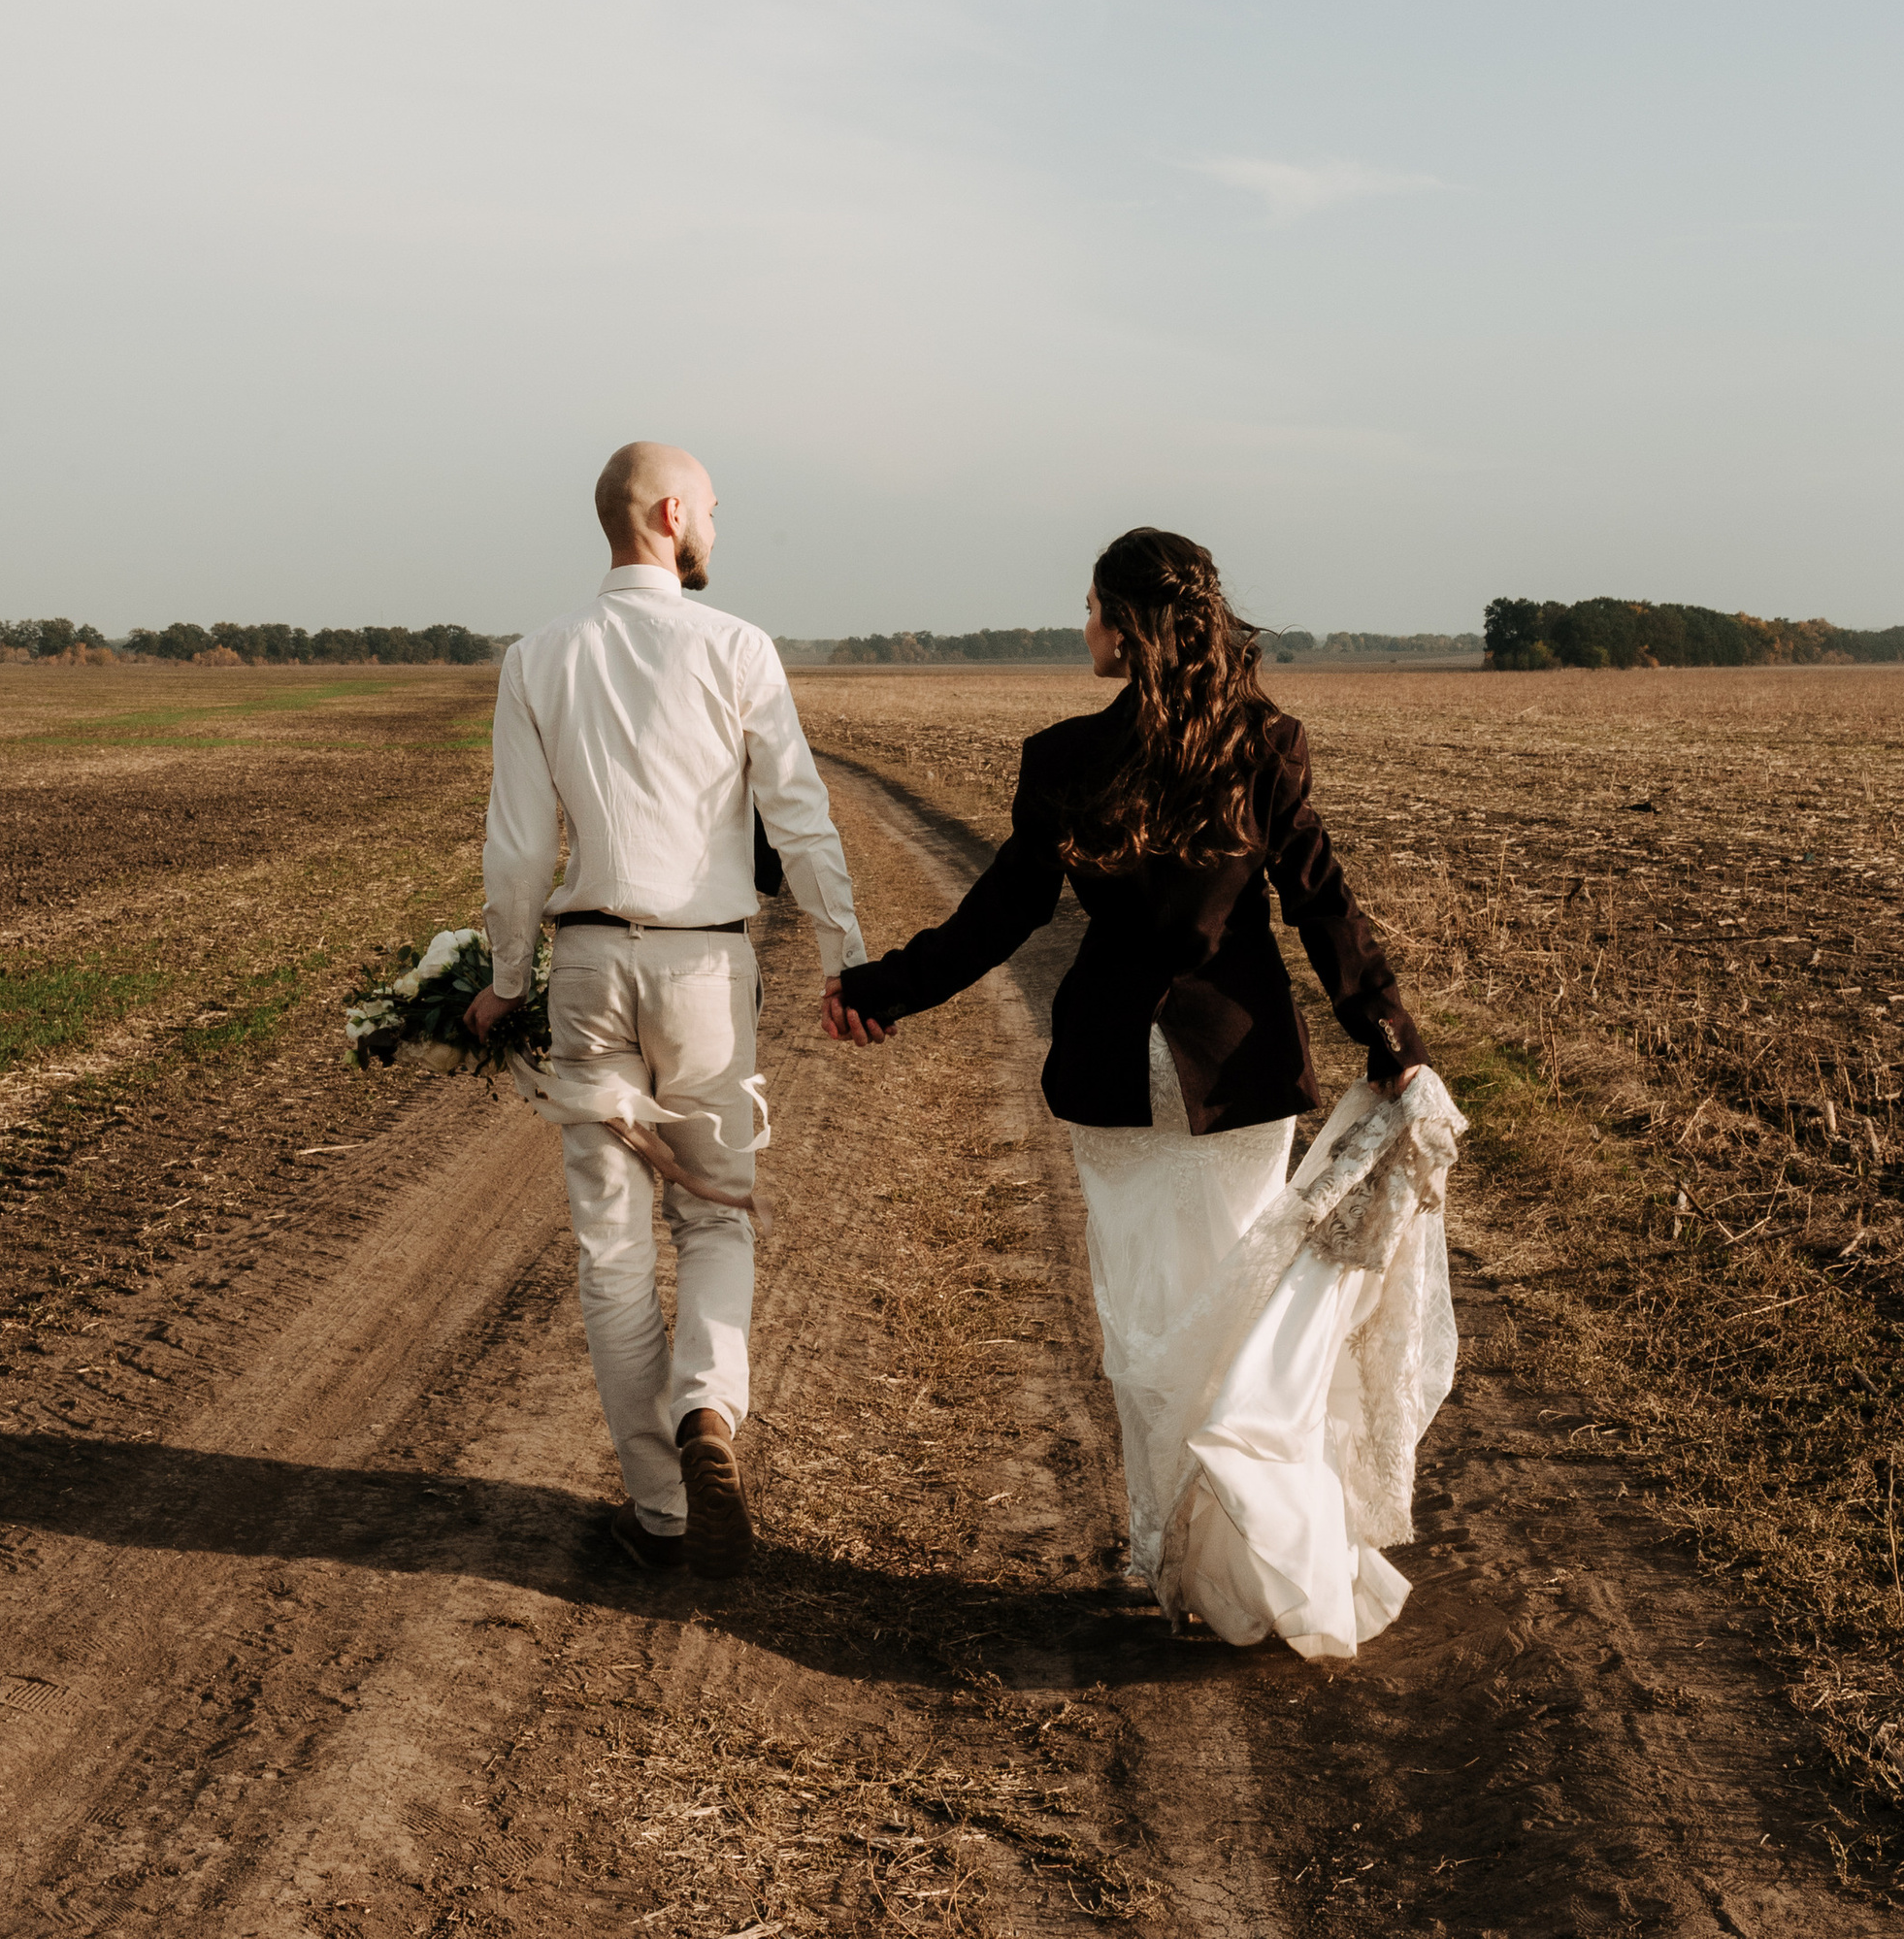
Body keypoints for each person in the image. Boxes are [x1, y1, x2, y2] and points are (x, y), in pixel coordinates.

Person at [826, 524, 1462, 1659]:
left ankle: (1169, 1557)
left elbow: (997, 920)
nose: (1083, 627)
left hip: (1117, 1076)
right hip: (1237, 1070)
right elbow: (1322, 901)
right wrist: (1392, 1038)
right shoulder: (1263, 745)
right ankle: (1249, 1567)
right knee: (1234, 1312)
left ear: (1127, 628)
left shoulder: (1065, 757)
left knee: (1146, 1324)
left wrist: (884, 989)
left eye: (1090, 609)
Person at [467, 440, 866, 1584]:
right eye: (714, 514)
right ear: (673, 513)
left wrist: (504, 978)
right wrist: (844, 954)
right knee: (718, 1217)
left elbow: (518, 845)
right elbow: (798, 815)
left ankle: (662, 1511)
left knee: (608, 1246)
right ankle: (709, 1411)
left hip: (588, 965)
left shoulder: (536, 657)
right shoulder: (736, 646)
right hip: (706, 974)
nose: (716, 533)